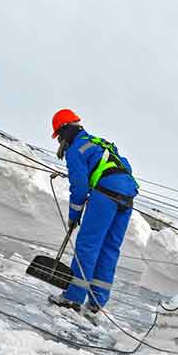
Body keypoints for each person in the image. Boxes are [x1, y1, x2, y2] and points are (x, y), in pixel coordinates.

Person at [47, 109, 138, 315]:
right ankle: (97, 302)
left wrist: (74, 215)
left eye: (59, 136)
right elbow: (126, 165)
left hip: (106, 194)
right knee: (109, 248)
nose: (60, 141)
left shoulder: (76, 149)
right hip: (127, 196)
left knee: (88, 245)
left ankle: (73, 298)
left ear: (65, 130)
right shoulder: (99, 142)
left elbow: (79, 187)